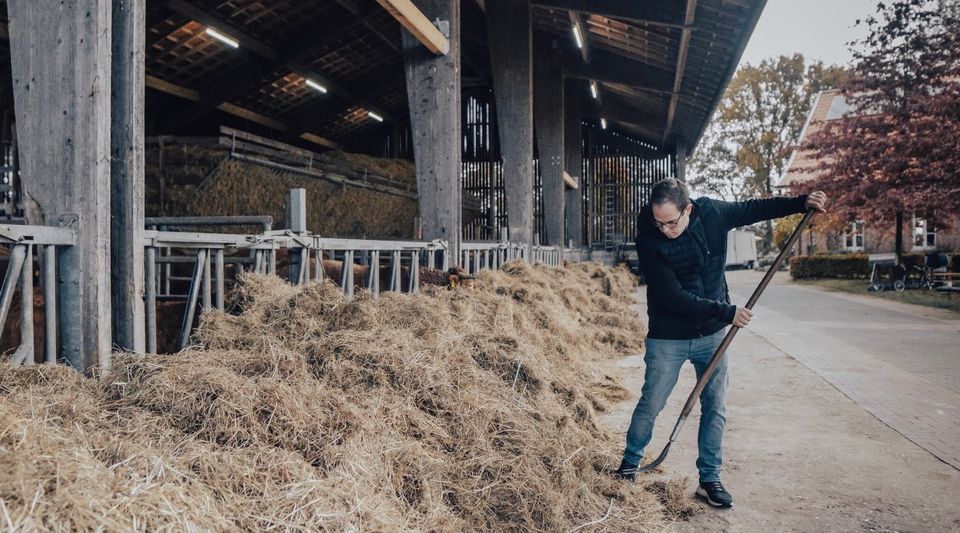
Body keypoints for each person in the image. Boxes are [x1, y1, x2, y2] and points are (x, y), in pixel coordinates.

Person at [614, 178, 827, 508]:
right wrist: (728, 312)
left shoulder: (712, 213)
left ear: (689, 209)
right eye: (659, 222)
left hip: (712, 334)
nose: (665, 229)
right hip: (669, 333)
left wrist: (801, 203)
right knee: (652, 402)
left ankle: (709, 479)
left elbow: (755, 208)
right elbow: (672, 296)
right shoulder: (649, 236)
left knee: (715, 406)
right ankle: (628, 466)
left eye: (671, 222)